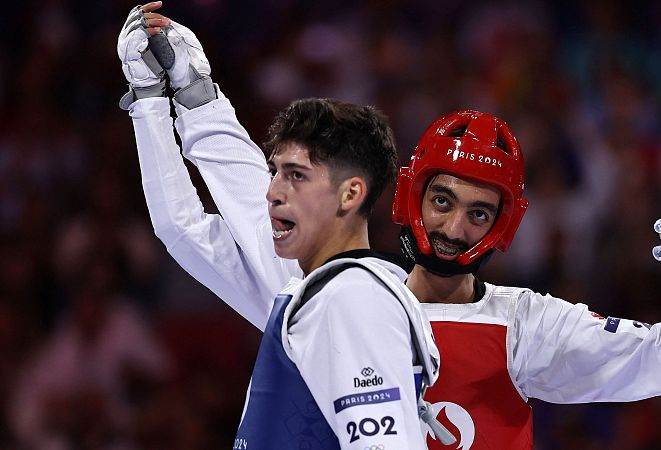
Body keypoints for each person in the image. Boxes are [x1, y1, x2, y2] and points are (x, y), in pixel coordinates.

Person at [123, 4, 661, 450]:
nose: (453, 226)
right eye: (442, 200)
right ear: (411, 198)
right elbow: (201, 218)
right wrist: (172, 97)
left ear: (503, 227)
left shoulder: (524, 327)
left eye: (479, 213)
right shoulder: (321, 299)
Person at [117, 3, 443, 449]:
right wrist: (163, 99)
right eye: (276, 172)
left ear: (350, 195)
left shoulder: (355, 301)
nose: (272, 191)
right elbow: (183, 229)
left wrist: (187, 99)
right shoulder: (304, 291)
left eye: (295, 175)